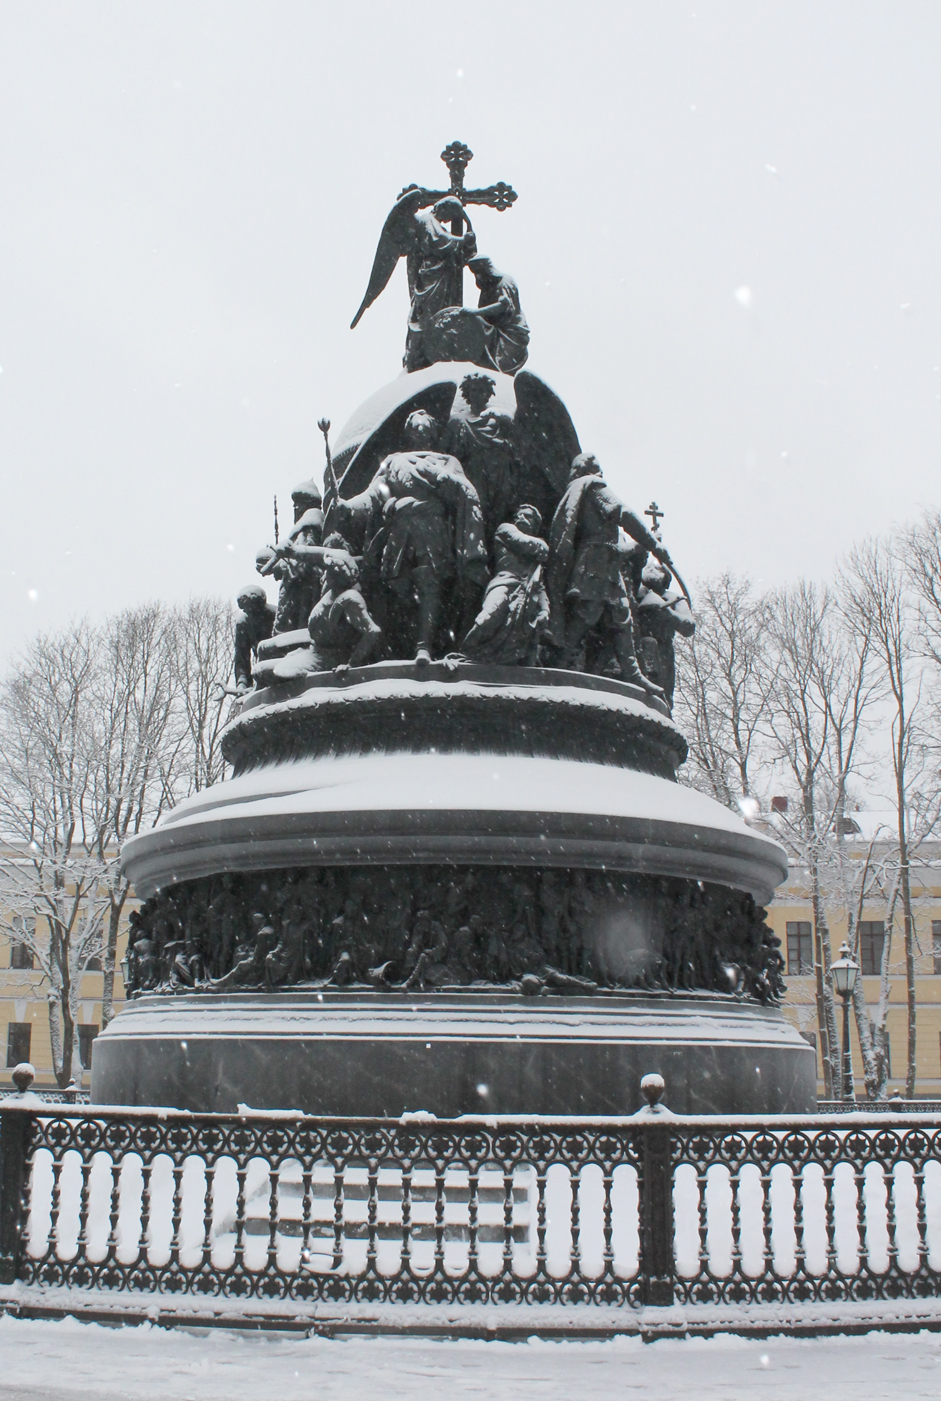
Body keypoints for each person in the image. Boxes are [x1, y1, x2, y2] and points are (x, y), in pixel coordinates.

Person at [328, 411, 488, 663]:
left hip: (432, 527)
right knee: (398, 587)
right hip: (401, 530)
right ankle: (399, 644)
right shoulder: (394, 461)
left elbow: (464, 492)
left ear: (433, 432)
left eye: (425, 427)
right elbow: (373, 494)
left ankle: (424, 646)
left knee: (430, 585)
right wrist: (350, 507)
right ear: (409, 432)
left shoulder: (447, 461)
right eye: (415, 427)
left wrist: (444, 479)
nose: (420, 431)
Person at [546, 454, 679, 698]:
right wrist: (652, 544)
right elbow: (623, 513)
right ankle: (559, 662)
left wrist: (647, 544)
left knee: (621, 618)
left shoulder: (579, 491)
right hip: (596, 562)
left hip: (604, 561)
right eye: (598, 469)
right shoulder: (594, 486)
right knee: (587, 615)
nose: (601, 474)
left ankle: (633, 673)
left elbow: (618, 550)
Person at [351, 189, 478, 371]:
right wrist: (462, 239)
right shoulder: (427, 220)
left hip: (444, 280)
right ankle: (420, 353)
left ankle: (437, 348)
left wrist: (467, 231)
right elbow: (437, 242)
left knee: (442, 316)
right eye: (449, 215)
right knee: (428, 316)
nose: (448, 220)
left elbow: (460, 253)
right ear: (442, 208)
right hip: (431, 281)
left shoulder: (438, 226)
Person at [462, 505, 549, 665]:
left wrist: (544, 610)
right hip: (504, 582)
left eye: (527, 516)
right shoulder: (505, 529)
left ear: (535, 525)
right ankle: (469, 652)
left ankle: (504, 662)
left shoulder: (535, 559)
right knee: (490, 615)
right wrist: (543, 546)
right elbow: (523, 542)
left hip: (527, 594)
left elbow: (540, 585)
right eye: (519, 515)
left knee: (522, 634)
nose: (521, 518)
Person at [440, 372, 518, 540]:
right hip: (474, 474)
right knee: (475, 513)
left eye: (482, 390)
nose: (477, 394)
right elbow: (445, 454)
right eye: (474, 390)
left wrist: (504, 423)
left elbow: (515, 450)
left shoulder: (498, 421)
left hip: (499, 475)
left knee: (497, 516)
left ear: (488, 393)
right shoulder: (458, 422)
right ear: (467, 393)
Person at [634, 558, 695, 709]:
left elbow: (688, 627)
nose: (651, 569)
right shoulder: (636, 594)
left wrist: (666, 611)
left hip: (663, 650)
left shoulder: (674, 599)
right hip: (637, 646)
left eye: (657, 569)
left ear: (665, 577)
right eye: (648, 568)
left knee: (663, 691)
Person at [467, 256, 530, 375]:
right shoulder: (487, 287)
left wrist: (475, 313)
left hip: (509, 333)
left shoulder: (504, 282)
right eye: (475, 274)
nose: (478, 277)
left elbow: (503, 306)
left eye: (479, 273)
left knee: (500, 366)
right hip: (493, 332)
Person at [233, 584, 276, 694]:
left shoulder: (275, 615)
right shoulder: (244, 622)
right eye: (246, 610)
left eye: (254, 610)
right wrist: (242, 682)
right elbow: (241, 656)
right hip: (262, 670)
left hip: (281, 664)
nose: (251, 613)